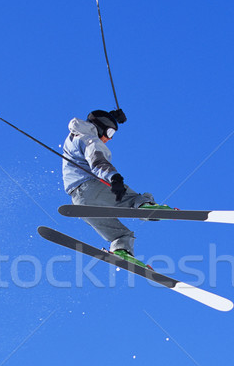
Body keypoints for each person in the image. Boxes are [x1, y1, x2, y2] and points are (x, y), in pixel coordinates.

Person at [62, 109, 163, 267]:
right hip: (91, 187)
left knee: (119, 234)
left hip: (79, 202)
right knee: (133, 198)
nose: (109, 138)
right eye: (109, 132)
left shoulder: (74, 137)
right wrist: (114, 178)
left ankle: (121, 250)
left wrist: (112, 117)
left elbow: (95, 119)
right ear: (101, 127)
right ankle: (145, 206)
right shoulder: (89, 139)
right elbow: (97, 160)